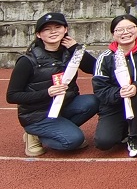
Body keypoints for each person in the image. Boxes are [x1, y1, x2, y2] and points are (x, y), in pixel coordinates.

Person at [6, 12, 98, 157]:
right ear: (38, 34)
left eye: (57, 27)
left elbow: (95, 69)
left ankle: (59, 129)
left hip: (63, 106)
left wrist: (76, 48)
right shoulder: (27, 61)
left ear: (65, 29)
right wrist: (47, 92)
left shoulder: (70, 52)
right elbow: (12, 96)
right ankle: (35, 134)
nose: (53, 32)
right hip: (38, 115)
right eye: (47, 29)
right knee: (74, 140)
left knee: (94, 101)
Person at [93, 15, 137, 157]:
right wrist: (119, 93)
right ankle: (124, 129)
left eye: (130, 28)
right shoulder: (105, 57)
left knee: (136, 95)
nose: (126, 32)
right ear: (113, 33)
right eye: (120, 30)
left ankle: (134, 137)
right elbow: (100, 88)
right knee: (104, 142)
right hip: (115, 104)